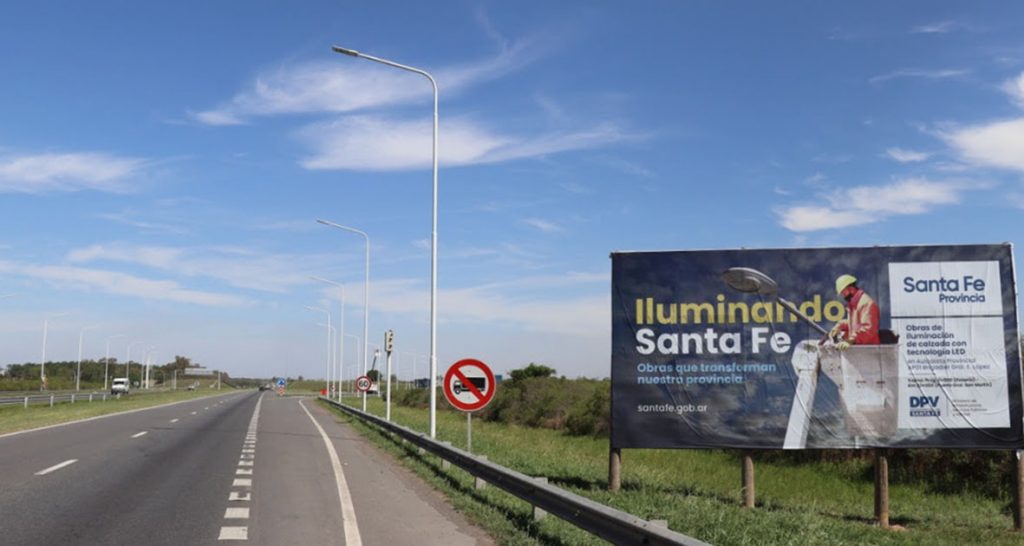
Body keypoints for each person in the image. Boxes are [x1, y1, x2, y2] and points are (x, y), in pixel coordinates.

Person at [826, 274, 880, 349]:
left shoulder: (866, 304)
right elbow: (854, 324)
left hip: (869, 351)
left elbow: (868, 330)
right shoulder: (855, 303)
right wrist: (839, 326)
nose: (843, 296)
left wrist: (850, 340)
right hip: (860, 350)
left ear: (851, 288)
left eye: (843, 292)